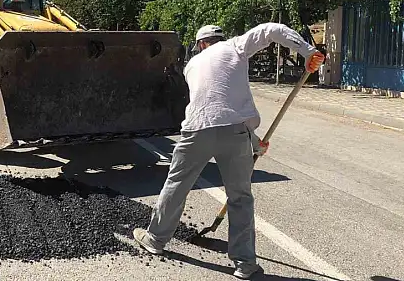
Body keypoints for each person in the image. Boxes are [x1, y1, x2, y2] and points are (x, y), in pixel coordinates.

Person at [133, 23, 324, 279]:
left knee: (176, 185)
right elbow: (270, 30)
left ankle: (155, 239)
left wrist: (254, 142)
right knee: (240, 197)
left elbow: (212, 106)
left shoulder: (192, 66)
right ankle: (244, 264)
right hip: (235, 134)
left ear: (201, 44)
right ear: (220, 39)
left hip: (196, 131)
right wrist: (307, 51)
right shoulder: (235, 46)